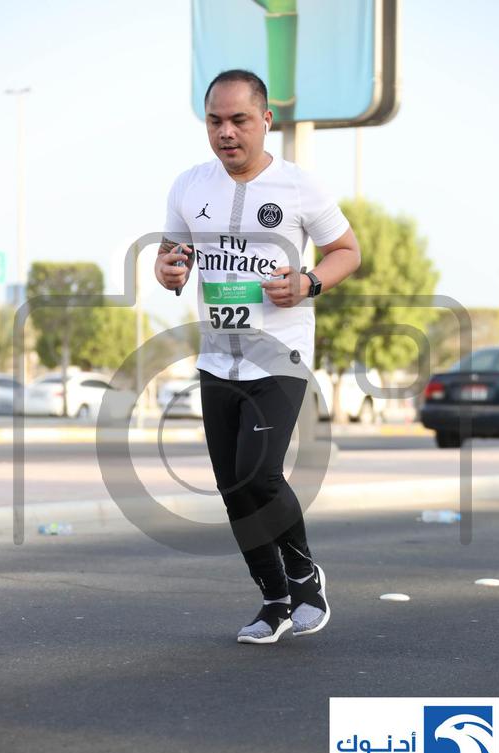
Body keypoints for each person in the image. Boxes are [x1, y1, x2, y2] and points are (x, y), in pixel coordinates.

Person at [154, 69, 361, 645]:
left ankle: (304, 575)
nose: (226, 132)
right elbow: (172, 254)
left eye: (239, 120)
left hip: (279, 356)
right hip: (217, 359)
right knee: (232, 487)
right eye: (215, 121)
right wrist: (167, 269)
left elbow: (347, 251)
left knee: (260, 474)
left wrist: (310, 282)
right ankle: (273, 600)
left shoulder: (300, 187)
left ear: (265, 120)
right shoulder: (189, 186)